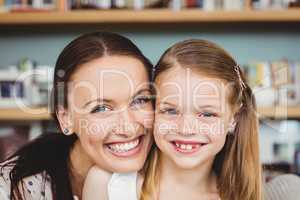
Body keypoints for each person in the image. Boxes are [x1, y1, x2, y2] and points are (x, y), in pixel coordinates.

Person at [83, 39, 262, 200]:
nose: (185, 129)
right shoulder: (107, 186)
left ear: (234, 119)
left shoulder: (241, 196)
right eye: (170, 111)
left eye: (207, 114)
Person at [0, 31, 155, 200]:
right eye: (101, 108)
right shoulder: (13, 189)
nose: (129, 126)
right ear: (65, 118)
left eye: (140, 100)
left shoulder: (171, 166)